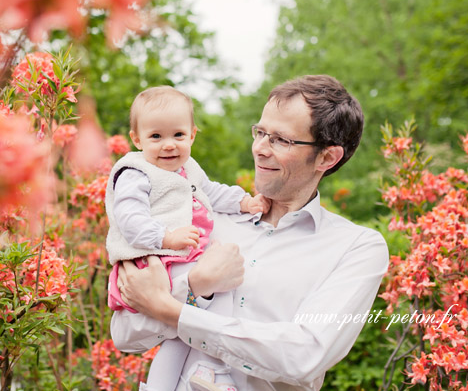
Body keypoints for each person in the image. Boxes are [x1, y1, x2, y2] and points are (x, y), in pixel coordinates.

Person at [110, 75, 390, 391]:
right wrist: (195, 287)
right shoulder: (202, 218)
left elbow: (304, 356)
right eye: (260, 132)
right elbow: (124, 334)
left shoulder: (356, 248)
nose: (260, 149)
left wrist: (170, 310)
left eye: (281, 140)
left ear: (327, 157)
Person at [105, 86, 268, 391]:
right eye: (156, 137)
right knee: (221, 289)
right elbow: (129, 219)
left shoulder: (187, 168)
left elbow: (213, 192)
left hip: (178, 256)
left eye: (178, 135)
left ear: (192, 134)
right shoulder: (135, 172)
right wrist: (167, 236)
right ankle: (213, 366)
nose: (168, 145)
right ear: (137, 139)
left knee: (180, 331)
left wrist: (244, 203)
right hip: (153, 259)